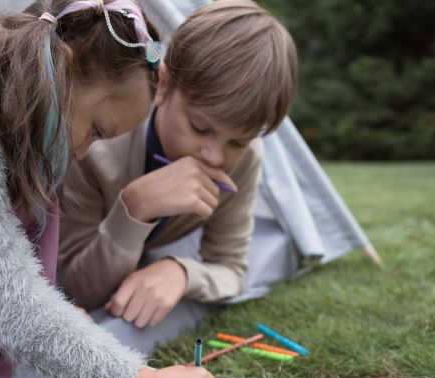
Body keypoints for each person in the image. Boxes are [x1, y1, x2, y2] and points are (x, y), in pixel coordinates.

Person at [0, 0, 214, 378]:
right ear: (63, 67)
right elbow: (14, 305)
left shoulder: (22, 132)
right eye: (96, 129)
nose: (84, 152)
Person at [58, 0, 298, 347]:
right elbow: (72, 287)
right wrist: (134, 209)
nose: (215, 156)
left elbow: (231, 268)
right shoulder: (96, 139)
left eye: (237, 141)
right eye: (200, 128)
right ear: (166, 82)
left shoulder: (245, 159)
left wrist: (182, 272)